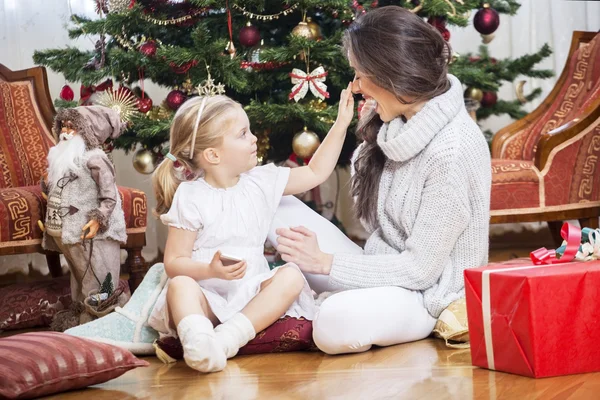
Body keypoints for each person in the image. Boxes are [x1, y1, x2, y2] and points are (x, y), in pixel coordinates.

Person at [274, 6, 492, 355]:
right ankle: (275, 300)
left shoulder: (452, 151)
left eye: (361, 76)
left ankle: (298, 305)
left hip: (426, 297)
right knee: (276, 205)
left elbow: (420, 270)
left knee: (332, 325)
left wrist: (325, 263)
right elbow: (376, 225)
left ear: (392, 75)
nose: (357, 87)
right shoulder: (400, 123)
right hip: (381, 268)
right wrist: (368, 135)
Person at [149, 89, 354, 373]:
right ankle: (198, 340)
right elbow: (173, 263)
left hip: (251, 292)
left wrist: (341, 124)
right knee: (179, 285)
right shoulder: (191, 196)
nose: (254, 138)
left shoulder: (261, 181)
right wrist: (210, 271)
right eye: (243, 134)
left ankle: (228, 338)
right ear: (213, 154)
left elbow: (316, 172)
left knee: (292, 275)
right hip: (206, 294)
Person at [41, 106, 129, 330]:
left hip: (92, 231)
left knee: (99, 275)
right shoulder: (64, 158)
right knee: (80, 276)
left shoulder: (95, 158)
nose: (66, 132)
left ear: (88, 131)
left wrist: (99, 218)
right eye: (64, 126)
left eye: (73, 128)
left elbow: (109, 196)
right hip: (70, 231)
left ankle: (102, 320)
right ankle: (81, 312)